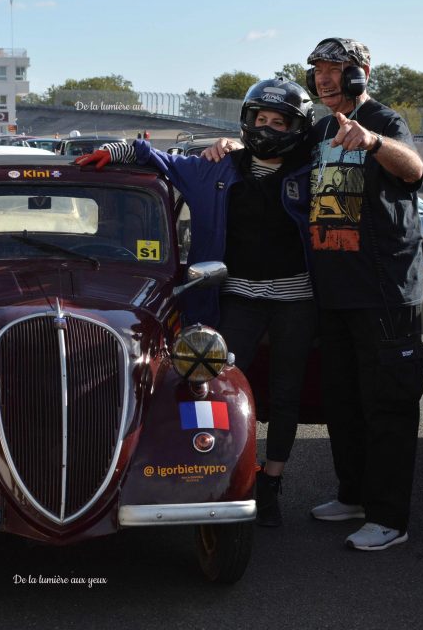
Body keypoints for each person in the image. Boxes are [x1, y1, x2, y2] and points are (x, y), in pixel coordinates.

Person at [204, 38, 423, 551]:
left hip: (384, 292)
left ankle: (390, 517)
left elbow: (413, 170)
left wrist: (372, 142)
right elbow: (271, 148)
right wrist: (236, 144)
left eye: (336, 70)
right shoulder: (321, 128)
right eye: (319, 71)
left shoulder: (383, 121)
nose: (325, 79)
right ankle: (353, 494)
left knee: (387, 405)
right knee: (342, 401)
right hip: (333, 293)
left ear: (361, 72)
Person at [77, 79, 318, 527]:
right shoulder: (215, 168)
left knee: (286, 393)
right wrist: (113, 152)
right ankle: (216, 473)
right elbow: (153, 156)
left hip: (297, 300)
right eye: (260, 119)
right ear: (246, 121)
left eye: (278, 122)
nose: (267, 127)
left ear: (296, 128)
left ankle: (272, 484)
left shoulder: (312, 171)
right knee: (214, 385)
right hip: (237, 297)